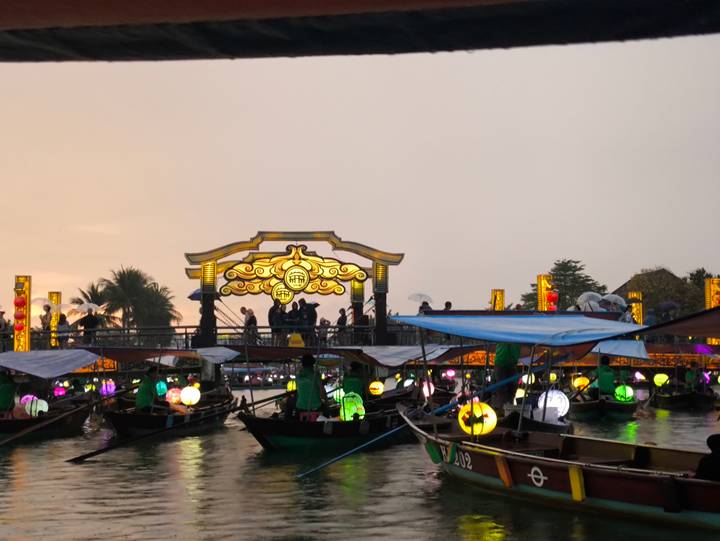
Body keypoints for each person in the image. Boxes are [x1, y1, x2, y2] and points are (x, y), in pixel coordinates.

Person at [294, 354, 326, 420]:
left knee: (290, 403)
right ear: (313, 364)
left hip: (300, 406)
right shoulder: (316, 374)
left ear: (302, 364)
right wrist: (325, 401)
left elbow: (298, 389)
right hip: (316, 406)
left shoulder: (298, 376)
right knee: (326, 409)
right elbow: (322, 391)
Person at [492, 343, 521, 410]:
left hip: (511, 363)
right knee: (502, 388)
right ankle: (503, 408)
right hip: (501, 362)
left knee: (512, 387)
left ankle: (508, 407)